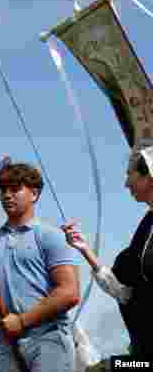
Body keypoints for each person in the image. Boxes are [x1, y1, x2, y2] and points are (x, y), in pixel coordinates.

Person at [0, 157, 80, 372]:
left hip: (48, 340)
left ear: (34, 194)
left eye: (15, 189)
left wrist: (23, 321)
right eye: (3, 190)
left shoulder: (50, 236)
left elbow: (69, 292)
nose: (7, 195)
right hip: (4, 347)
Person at [63, 144, 153, 359]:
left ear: (148, 177)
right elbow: (124, 292)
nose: (125, 183)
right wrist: (85, 249)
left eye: (129, 174)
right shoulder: (145, 229)